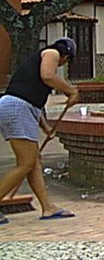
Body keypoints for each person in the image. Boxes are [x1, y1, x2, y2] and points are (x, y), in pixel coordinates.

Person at [0, 37, 79, 222]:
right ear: (66, 57)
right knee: (26, 162)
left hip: (21, 107)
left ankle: (47, 208)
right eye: (66, 61)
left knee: (33, 161)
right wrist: (71, 90)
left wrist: (46, 128)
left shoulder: (40, 63)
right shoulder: (52, 53)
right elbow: (48, 77)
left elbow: (35, 103)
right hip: (17, 107)